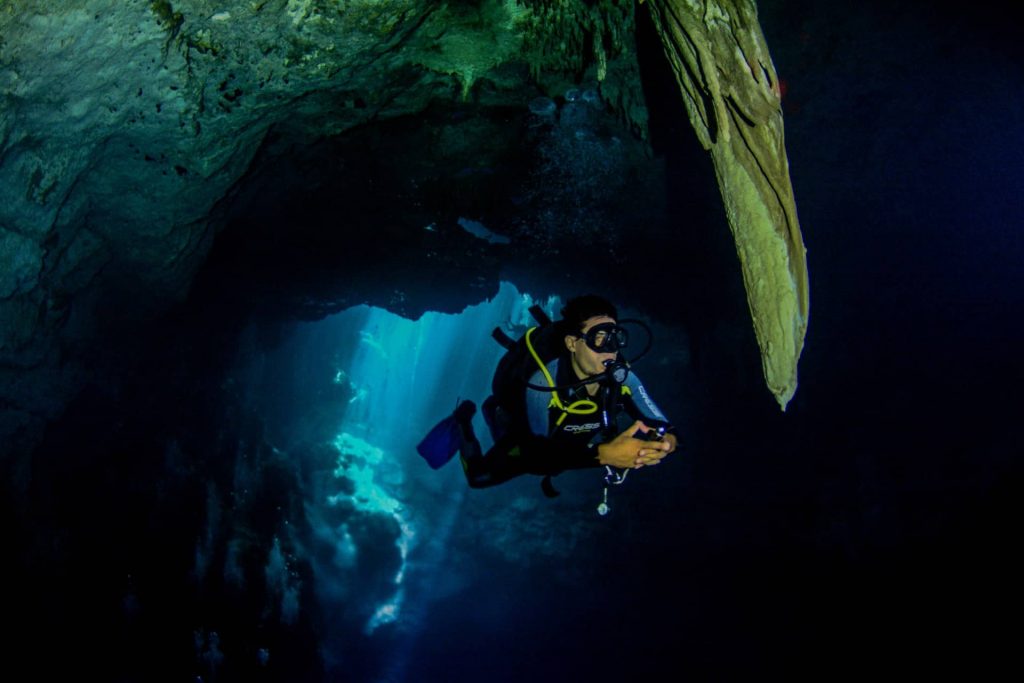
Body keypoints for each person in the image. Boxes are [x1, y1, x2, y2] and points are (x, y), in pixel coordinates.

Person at [449, 294, 678, 492]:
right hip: (532, 438)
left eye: (615, 337)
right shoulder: (544, 382)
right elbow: (537, 457)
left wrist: (665, 441)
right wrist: (603, 455)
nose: (610, 350)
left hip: (565, 444)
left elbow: (663, 425)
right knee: (478, 477)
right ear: (572, 343)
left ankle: (494, 413)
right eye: (599, 338)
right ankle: (464, 421)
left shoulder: (624, 377)